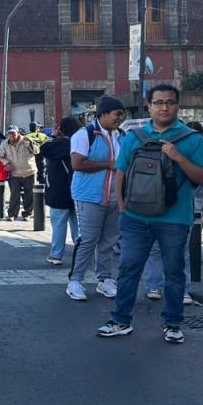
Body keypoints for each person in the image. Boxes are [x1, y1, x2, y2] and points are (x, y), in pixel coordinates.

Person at [97, 84, 203, 345]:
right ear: (149, 106)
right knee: (128, 269)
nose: (164, 107)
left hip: (174, 219)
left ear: (177, 106)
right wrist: (123, 208)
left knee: (173, 272)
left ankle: (173, 323)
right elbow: (121, 173)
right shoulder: (134, 137)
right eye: (158, 102)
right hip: (136, 218)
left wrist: (178, 157)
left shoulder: (191, 139)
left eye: (170, 102)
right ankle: (120, 320)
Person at [65, 96, 125, 301]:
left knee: (109, 240)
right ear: (104, 114)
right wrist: (108, 164)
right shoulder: (85, 135)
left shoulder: (122, 136)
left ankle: (104, 279)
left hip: (114, 196)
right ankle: (75, 280)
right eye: (117, 114)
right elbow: (77, 163)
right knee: (88, 239)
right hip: (89, 195)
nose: (120, 118)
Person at [144, 121, 203, 305]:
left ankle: (181, 289)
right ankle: (155, 285)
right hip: (156, 203)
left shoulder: (192, 146)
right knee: (159, 249)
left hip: (180, 208)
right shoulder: (151, 143)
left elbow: (202, 178)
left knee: (179, 251)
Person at [43, 117, 81, 266]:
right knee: (77, 225)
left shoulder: (62, 143)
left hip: (60, 191)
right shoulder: (81, 142)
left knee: (59, 224)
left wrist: (53, 135)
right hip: (78, 190)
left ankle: (56, 254)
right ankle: (80, 253)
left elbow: (44, 149)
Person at [0, 126, 39, 221]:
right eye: (9, 133)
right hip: (14, 173)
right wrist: (6, 163)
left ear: (18, 132)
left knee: (29, 194)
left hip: (29, 171)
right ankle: (12, 214)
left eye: (13, 133)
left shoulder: (26, 140)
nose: (11, 135)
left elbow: (37, 151)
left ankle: (27, 213)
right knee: (14, 193)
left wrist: (30, 145)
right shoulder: (5, 143)